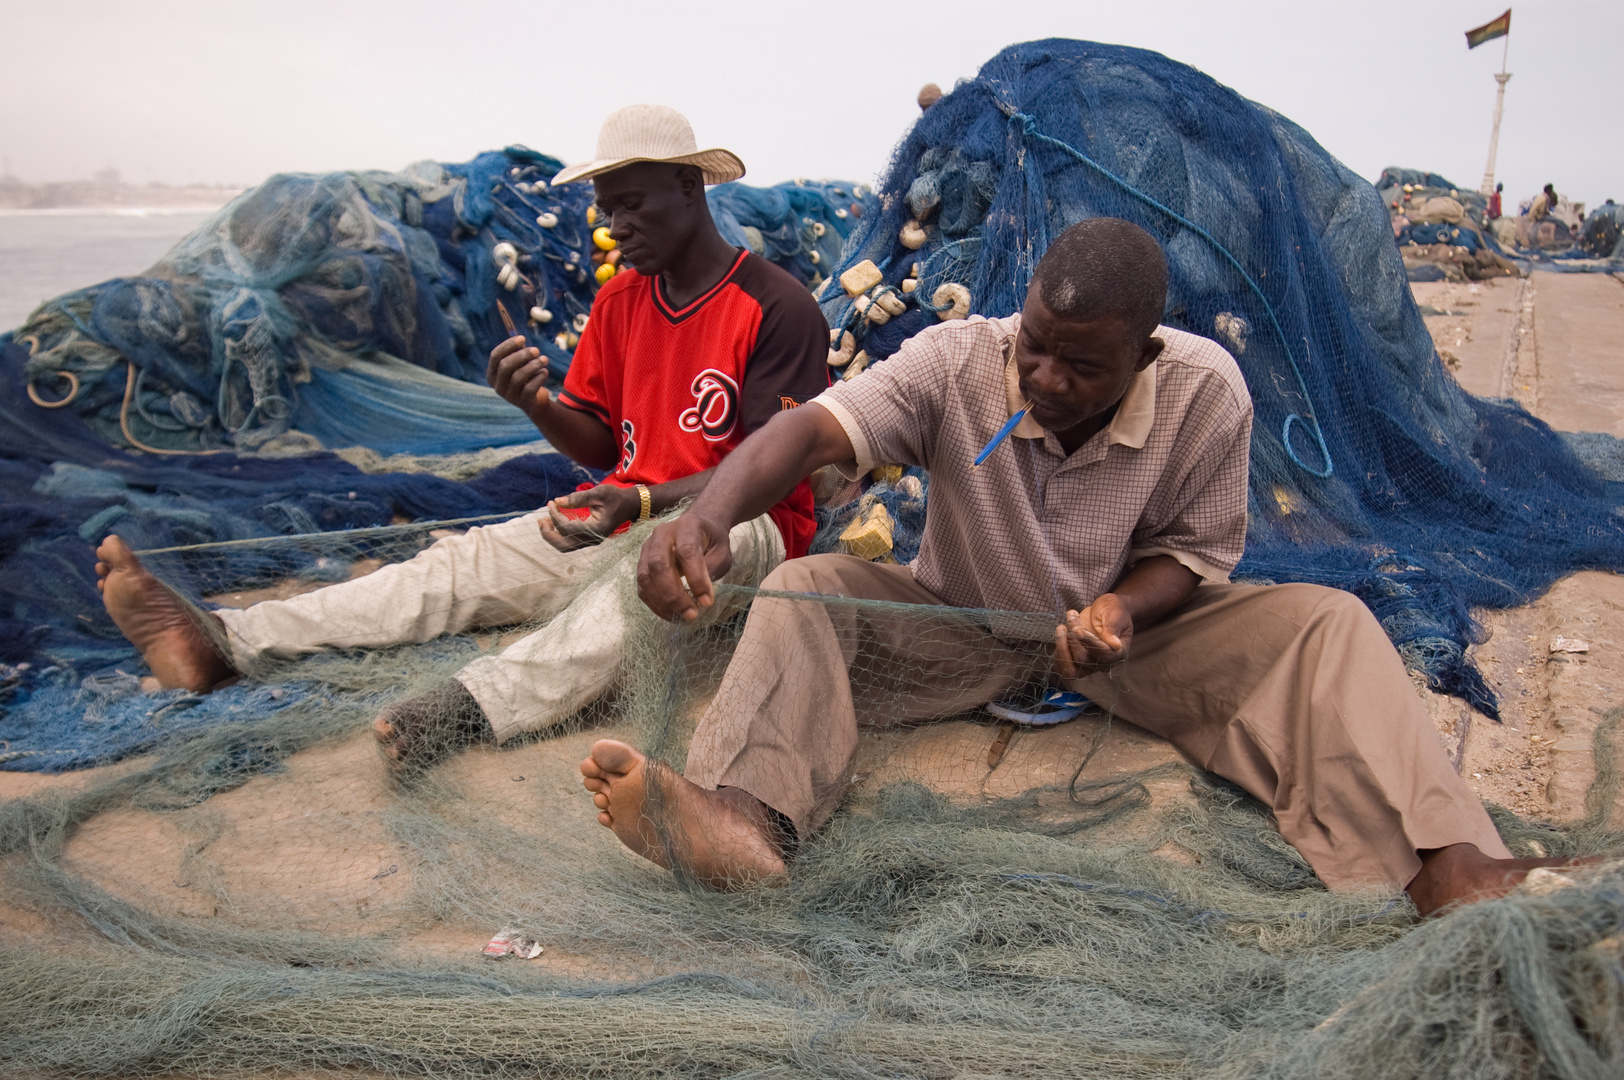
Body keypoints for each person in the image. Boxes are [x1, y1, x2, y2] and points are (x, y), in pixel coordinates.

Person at [582, 217, 1596, 914]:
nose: (1046, 379)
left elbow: (1194, 557)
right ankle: (740, 820)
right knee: (808, 585)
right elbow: (807, 433)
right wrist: (710, 515)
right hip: (962, 627)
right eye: (1035, 350)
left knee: (1327, 626)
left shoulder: (1207, 391)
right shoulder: (954, 360)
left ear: (1145, 356)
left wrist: (1120, 612)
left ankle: (1448, 869)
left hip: (1130, 644)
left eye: (1082, 366)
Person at [94, 104, 830, 767]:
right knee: (462, 566)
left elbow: (769, 468)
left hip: (747, 531)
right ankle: (226, 643)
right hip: (628, 512)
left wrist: (639, 510)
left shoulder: (776, 306)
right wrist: (536, 404)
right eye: (607, 210)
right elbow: (605, 447)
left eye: (632, 204)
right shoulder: (619, 301)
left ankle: (472, 707)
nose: (616, 226)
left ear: (689, 187)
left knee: (623, 603)